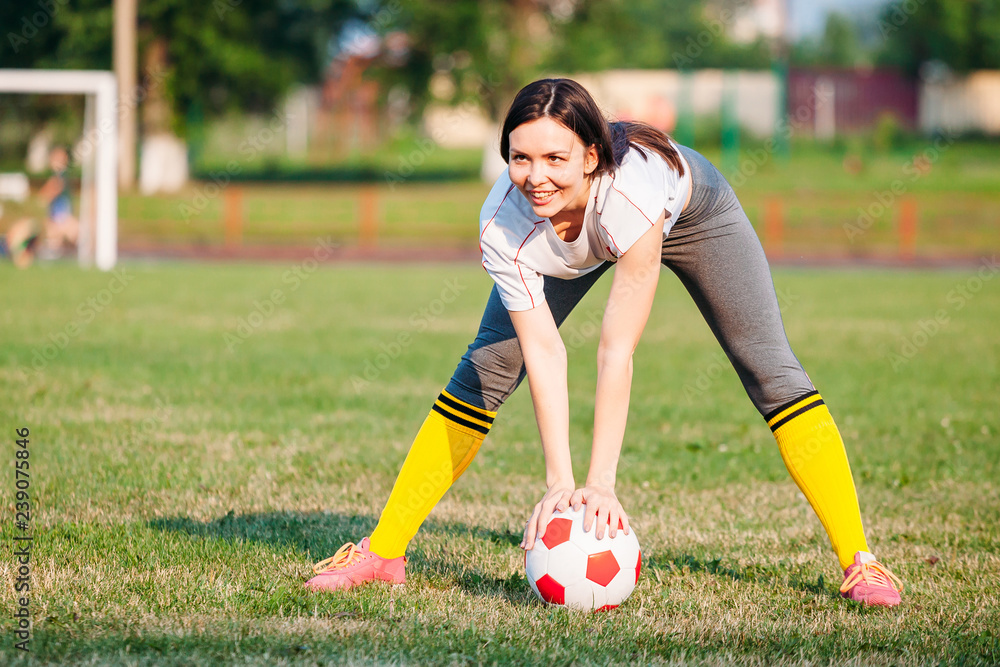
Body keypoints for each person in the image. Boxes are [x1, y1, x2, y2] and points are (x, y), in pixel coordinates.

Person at [305, 79, 903, 607]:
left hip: (694, 213)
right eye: (519, 157)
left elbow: (616, 350)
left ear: (590, 156)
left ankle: (860, 561)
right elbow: (544, 351)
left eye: (555, 158)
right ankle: (382, 555)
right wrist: (559, 483)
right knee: (483, 372)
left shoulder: (631, 191)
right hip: (579, 236)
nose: (535, 176)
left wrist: (602, 483)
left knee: (771, 371)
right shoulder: (502, 223)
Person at [38, 146, 79, 255]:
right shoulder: (58, 176)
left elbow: (48, 192)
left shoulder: (61, 176)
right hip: (57, 217)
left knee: (71, 240)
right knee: (55, 246)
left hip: (61, 217)